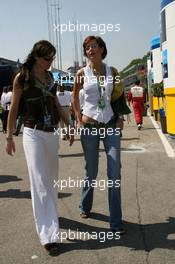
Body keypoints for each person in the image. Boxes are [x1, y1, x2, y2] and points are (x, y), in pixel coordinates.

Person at [6, 40, 74, 255]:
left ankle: (51, 218)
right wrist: (9, 136)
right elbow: (14, 108)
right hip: (32, 132)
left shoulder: (51, 77)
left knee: (52, 181)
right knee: (40, 182)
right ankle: (48, 234)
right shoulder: (22, 77)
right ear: (36, 56)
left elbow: (55, 104)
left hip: (51, 132)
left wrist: (69, 125)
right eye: (47, 58)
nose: (50, 62)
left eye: (52, 58)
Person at [73, 35, 125, 234]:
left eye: (94, 46)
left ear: (102, 49)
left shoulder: (113, 71)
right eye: (87, 48)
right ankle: (85, 206)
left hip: (110, 124)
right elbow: (74, 99)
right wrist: (78, 120)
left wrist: (120, 116)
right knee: (91, 170)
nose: (90, 50)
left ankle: (116, 222)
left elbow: (119, 97)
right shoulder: (80, 73)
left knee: (114, 172)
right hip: (89, 127)